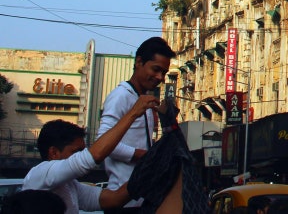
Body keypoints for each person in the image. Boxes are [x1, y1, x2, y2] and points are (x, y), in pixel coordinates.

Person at [22, 94, 159, 214]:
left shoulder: (71, 186)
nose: (80, 155)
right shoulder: (41, 173)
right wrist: (134, 113)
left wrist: (148, 169)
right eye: (76, 151)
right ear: (54, 153)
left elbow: (114, 199)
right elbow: (92, 157)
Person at [97, 36, 174, 213]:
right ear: (139, 62)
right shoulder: (121, 96)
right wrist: (142, 155)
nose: (159, 77)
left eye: (164, 73)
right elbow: (103, 142)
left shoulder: (142, 99)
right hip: (124, 203)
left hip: (141, 200)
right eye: (156, 70)